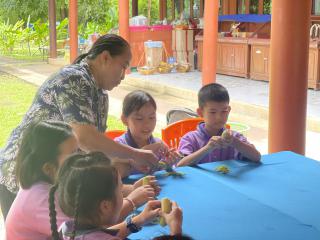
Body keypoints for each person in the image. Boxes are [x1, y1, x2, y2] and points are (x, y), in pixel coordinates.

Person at [0, 34, 158, 218]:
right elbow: (84, 138)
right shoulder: (74, 78)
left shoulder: (100, 94)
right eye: (123, 66)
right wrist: (135, 155)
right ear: (105, 58)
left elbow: (91, 152)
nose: (123, 76)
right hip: (27, 174)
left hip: (56, 178)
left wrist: (127, 171)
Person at [49, 152, 183, 239]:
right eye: (120, 189)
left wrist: (137, 221)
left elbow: (97, 235)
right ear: (105, 206)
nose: (123, 192)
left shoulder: (67, 228)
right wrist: (175, 229)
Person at [5, 121, 77, 240]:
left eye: (79, 151)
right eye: (73, 156)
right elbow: (86, 235)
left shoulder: (48, 184)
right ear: (49, 168)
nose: (82, 159)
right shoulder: (40, 198)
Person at [177, 83, 261, 167]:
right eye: (213, 112)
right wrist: (208, 148)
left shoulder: (234, 137)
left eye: (224, 111)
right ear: (200, 112)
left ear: (228, 110)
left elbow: (256, 157)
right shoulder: (190, 139)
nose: (219, 117)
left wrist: (235, 142)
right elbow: (180, 165)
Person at [114, 90, 181, 176]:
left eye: (151, 117)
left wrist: (169, 163)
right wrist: (142, 152)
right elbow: (115, 175)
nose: (147, 124)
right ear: (124, 119)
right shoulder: (119, 145)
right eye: (139, 118)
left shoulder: (159, 144)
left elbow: (162, 170)